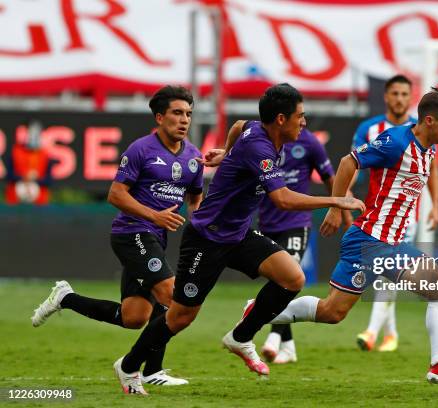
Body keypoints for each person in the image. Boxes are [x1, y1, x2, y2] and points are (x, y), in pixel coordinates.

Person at [112, 83, 365, 394]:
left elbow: (238, 125)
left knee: (292, 277)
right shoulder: (260, 148)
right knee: (180, 317)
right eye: (301, 116)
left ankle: (241, 336)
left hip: (238, 233)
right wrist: (336, 201)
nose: (305, 122)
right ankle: (127, 367)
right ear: (282, 119)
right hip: (207, 238)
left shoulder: (260, 129)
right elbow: (283, 199)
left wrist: (227, 153)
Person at [257, 88, 438, 385]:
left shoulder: (430, 149)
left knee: (335, 311)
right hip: (369, 240)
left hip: (392, 244)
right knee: (337, 311)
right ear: (429, 120)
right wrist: (336, 206)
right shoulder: (396, 141)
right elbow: (349, 163)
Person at [31, 85, 203, 387]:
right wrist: (154, 215)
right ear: (160, 117)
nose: (184, 119)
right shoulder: (141, 150)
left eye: (188, 113)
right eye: (177, 113)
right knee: (171, 295)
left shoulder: (193, 157)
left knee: (133, 317)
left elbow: (195, 197)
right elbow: (115, 194)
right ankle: (145, 370)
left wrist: (199, 223)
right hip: (132, 232)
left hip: (156, 237)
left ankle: (66, 298)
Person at [352, 74, 438, 353]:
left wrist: (435, 204)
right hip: (376, 214)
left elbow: (432, 168)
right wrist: (343, 196)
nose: (400, 99)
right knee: (384, 274)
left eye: (405, 94)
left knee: (385, 273)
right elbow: (352, 162)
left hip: (408, 217)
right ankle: (390, 334)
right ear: (387, 96)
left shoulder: (423, 131)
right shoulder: (370, 129)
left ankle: (371, 331)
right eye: (395, 94)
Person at [254, 125, 353, 364]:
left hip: (298, 222)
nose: (301, 122)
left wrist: (339, 211)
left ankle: (274, 338)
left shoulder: (310, 143)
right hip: (268, 222)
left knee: (285, 281)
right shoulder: (264, 143)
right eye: (297, 116)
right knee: (277, 283)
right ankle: (288, 347)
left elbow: (331, 177)